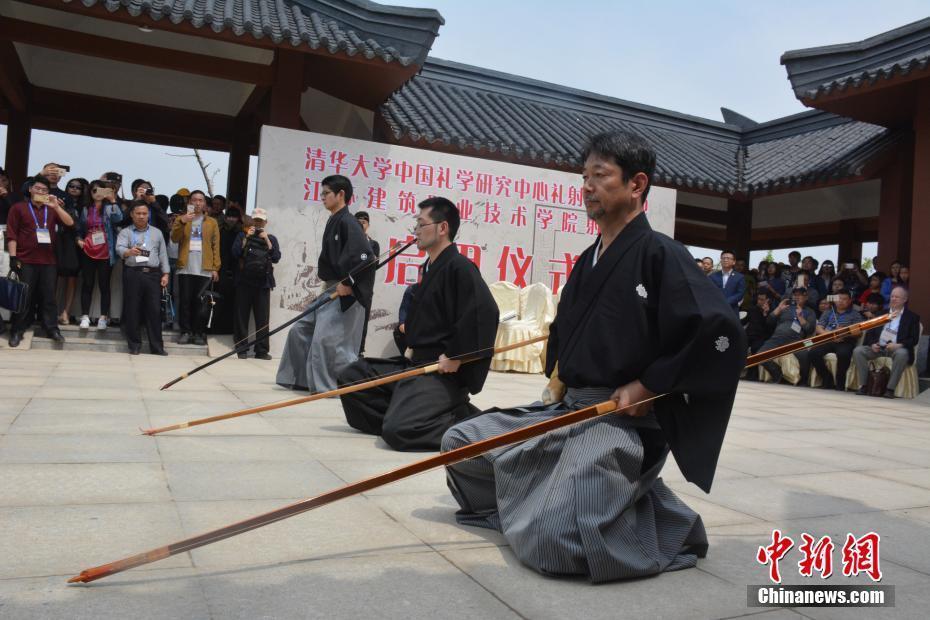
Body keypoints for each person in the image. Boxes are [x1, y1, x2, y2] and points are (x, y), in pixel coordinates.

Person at [440, 131, 746, 583]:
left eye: (600, 176)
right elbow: (565, 335)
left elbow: (721, 333)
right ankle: (572, 497)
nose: (586, 186)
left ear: (636, 184)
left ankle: (659, 520)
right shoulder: (587, 261)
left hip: (620, 420)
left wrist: (651, 385)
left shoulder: (662, 253)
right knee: (460, 445)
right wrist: (559, 379)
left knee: (549, 542)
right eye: (584, 176)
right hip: (570, 410)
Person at [339, 198, 498, 451]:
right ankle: (413, 410)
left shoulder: (460, 267)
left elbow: (485, 314)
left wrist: (457, 355)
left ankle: (466, 422)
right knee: (351, 377)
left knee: (399, 431)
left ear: (442, 228)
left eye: (421, 224)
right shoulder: (431, 266)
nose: (416, 230)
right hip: (415, 364)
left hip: (441, 371)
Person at [276, 175, 374, 392]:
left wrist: (348, 283)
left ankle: (329, 387)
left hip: (345, 290)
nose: (322, 198)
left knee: (325, 340)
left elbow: (367, 258)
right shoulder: (334, 219)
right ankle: (300, 379)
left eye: (326, 193)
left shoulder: (350, 222)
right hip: (329, 287)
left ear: (341, 194)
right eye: (322, 193)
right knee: (299, 330)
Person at [5, 175, 75, 346]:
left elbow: (70, 223)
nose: (41, 192)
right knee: (24, 297)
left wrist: (56, 206)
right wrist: (13, 258)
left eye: (45, 190)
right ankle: (17, 330)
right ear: (30, 189)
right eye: (38, 188)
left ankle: (51, 328)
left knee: (49, 296)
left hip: (48, 261)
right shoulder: (18, 208)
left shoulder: (51, 209)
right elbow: (12, 234)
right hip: (25, 259)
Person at [116, 201, 170, 355]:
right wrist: (128, 252)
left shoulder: (156, 232)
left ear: (149, 215)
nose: (141, 216)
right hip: (133, 273)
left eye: (144, 214)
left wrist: (165, 273)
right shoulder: (125, 232)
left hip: (153, 274)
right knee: (132, 309)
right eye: (138, 213)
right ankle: (134, 345)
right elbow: (119, 248)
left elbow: (162, 254)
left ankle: (157, 347)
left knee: (154, 310)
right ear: (132, 215)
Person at [170, 190, 220, 345]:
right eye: (194, 200)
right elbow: (174, 238)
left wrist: (215, 267)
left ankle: (199, 332)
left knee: (201, 303)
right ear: (189, 202)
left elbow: (215, 245)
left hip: (204, 268)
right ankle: (185, 332)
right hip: (186, 267)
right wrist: (183, 221)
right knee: (185, 301)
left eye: (200, 200)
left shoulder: (211, 222)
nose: (197, 203)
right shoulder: (181, 219)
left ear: (204, 203)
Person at [231, 208, 281, 360]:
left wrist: (266, 240)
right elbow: (234, 253)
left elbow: (276, 257)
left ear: (265, 222)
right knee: (241, 316)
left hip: (263, 283)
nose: (258, 223)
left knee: (262, 319)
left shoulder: (271, 238)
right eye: (256, 220)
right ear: (251, 220)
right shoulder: (242, 235)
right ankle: (241, 348)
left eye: (261, 220)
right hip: (244, 282)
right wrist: (246, 237)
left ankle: (262, 350)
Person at [853, 286, 920, 398]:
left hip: (896, 348)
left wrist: (898, 345)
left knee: (902, 354)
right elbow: (870, 334)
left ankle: (890, 389)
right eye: (892, 296)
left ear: (905, 299)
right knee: (858, 351)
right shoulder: (880, 314)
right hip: (879, 348)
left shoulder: (912, 317)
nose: (893, 299)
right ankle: (864, 385)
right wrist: (873, 344)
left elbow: (913, 339)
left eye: (897, 297)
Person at [75, 180, 123, 330]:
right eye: (94, 190)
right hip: (88, 248)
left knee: (104, 285)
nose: (97, 193)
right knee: (87, 284)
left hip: (106, 250)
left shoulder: (109, 208)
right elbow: (78, 228)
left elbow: (119, 219)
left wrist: (113, 200)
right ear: (90, 192)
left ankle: (103, 317)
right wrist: (78, 240)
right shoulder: (85, 209)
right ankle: (85, 316)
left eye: (101, 190)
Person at [798, 289, 862, 390]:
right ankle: (827, 379)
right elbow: (819, 328)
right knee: (813, 353)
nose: (841, 301)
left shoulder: (855, 314)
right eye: (839, 299)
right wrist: (831, 335)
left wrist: (846, 332)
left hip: (845, 341)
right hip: (828, 340)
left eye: (844, 299)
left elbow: (858, 332)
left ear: (850, 301)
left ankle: (840, 382)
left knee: (843, 354)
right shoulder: (828, 312)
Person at [756, 287, 816, 383]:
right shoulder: (785, 308)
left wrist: (800, 317)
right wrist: (778, 308)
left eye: (800, 295)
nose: (797, 297)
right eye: (795, 295)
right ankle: (777, 373)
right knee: (759, 356)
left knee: (804, 355)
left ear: (806, 297)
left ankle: (803, 380)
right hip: (777, 338)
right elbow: (769, 322)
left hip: (795, 340)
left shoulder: (810, 312)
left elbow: (810, 330)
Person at [354, 210, 380, 355]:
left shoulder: (374, 244)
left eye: (363, 222)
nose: (360, 225)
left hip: (365, 290)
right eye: (357, 222)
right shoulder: (349, 243)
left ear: (368, 225)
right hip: (349, 288)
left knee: (362, 323)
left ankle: (359, 353)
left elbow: (375, 265)